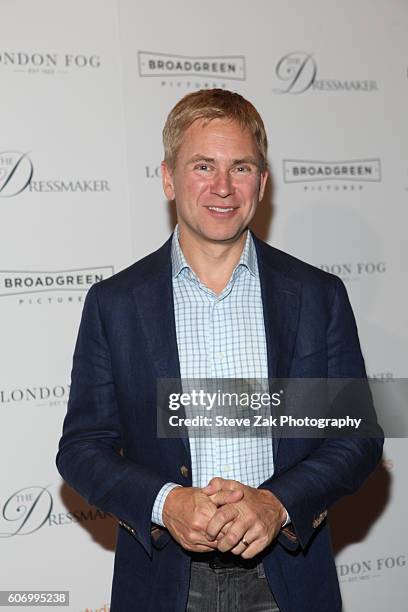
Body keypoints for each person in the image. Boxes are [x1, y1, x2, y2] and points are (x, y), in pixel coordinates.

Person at [56, 89, 383, 612]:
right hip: (161, 584)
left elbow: (358, 439)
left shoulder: (318, 297)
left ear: (263, 182)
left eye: (242, 167)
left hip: (290, 581)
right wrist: (167, 503)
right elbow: (81, 448)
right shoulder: (114, 304)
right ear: (168, 178)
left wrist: (277, 504)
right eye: (203, 165)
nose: (224, 187)